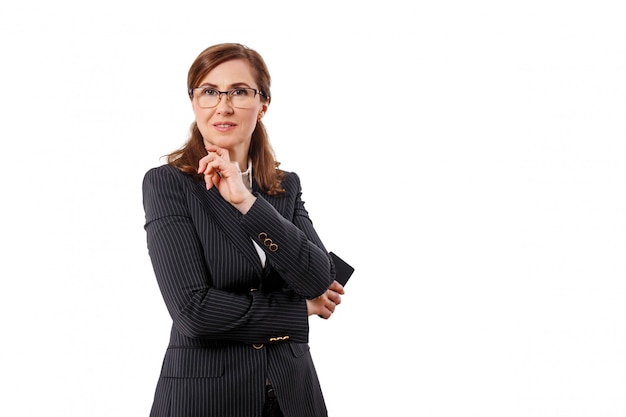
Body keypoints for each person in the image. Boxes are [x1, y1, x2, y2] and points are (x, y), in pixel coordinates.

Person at [142, 42, 345, 417]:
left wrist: (248, 203)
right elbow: (194, 312)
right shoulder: (168, 184)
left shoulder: (284, 186)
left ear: (263, 104)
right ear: (194, 103)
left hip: (292, 395)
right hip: (206, 399)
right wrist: (299, 310)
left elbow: (320, 280)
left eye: (239, 91)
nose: (224, 105)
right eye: (209, 92)